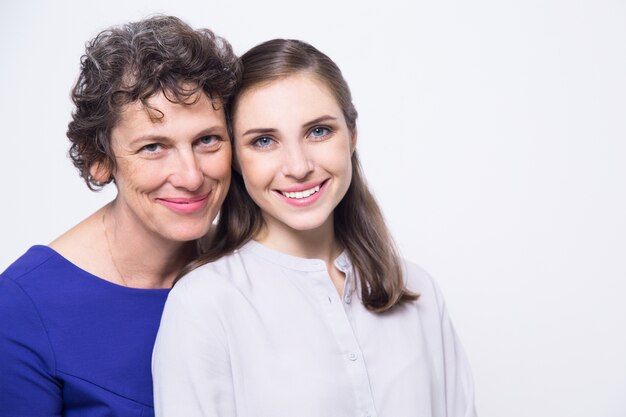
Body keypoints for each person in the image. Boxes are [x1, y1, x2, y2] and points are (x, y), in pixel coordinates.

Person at [152, 39, 477, 417]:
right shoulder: (204, 304)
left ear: (352, 136)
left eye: (318, 132)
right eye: (263, 141)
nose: (298, 166)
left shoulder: (418, 290)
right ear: (236, 159)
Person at [0, 15, 239, 416]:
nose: (191, 175)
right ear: (99, 159)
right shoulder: (20, 309)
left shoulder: (252, 265)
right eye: (153, 147)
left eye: (207, 140)